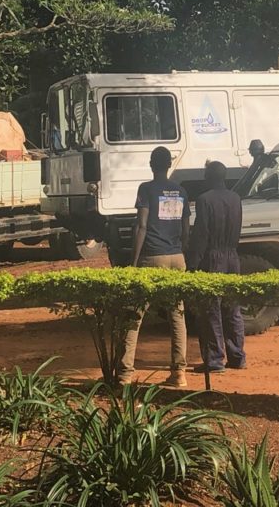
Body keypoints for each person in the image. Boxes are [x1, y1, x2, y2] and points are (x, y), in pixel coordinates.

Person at [118, 146, 190, 387]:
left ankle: (125, 373)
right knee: (177, 315)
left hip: (152, 257)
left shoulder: (146, 189)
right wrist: (181, 252)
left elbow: (141, 226)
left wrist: (134, 262)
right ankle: (179, 374)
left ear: (151, 164)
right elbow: (185, 229)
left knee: (134, 314)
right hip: (176, 257)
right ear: (169, 165)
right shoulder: (181, 191)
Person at [187, 160, 246, 373]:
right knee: (232, 308)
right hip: (232, 256)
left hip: (213, 257)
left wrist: (193, 263)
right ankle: (237, 356)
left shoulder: (204, 200)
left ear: (207, 177)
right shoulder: (236, 198)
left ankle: (214, 360)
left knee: (211, 309)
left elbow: (201, 235)